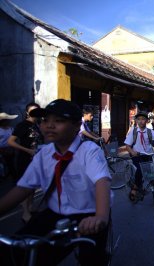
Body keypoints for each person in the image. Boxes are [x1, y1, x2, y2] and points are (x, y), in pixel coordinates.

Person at [0, 99, 112, 265]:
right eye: (45, 121)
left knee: (91, 259)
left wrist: (101, 216)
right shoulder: (43, 154)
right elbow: (22, 189)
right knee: (16, 252)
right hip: (55, 214)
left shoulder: (89, 150)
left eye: (58, 121)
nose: (49, 125)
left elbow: (102, 182)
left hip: (88, 214)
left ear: (76, 126)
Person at [124, 111, 154, 201]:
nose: (141, 121)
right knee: (140, 169)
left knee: (151, 172)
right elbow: (127, 145)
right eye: (139, 119)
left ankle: (151, 186)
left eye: (143, 119)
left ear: (147, 121)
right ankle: (135, 187)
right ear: (136, 121)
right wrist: (132, 151)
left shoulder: (150, 132)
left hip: (148, 154)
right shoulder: (133, 132)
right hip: (137, 155)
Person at [7, 103, 43, 223]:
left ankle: (31, 208)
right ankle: (25, 213)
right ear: (27, 112)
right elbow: (11, 142)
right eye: (32, 111)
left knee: (32, 187)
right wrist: (27, 150)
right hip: (25, 159)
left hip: (36, 160)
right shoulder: (22, 125)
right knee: (25, 186)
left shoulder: (38, 125)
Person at [0, 112, 18, 179]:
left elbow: (14, 139)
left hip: (10, 149)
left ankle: (13, 176)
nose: (8, 122)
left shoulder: (11, 129)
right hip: (2, 149)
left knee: (11, 164)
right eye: (6, 120)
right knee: (6, 164)